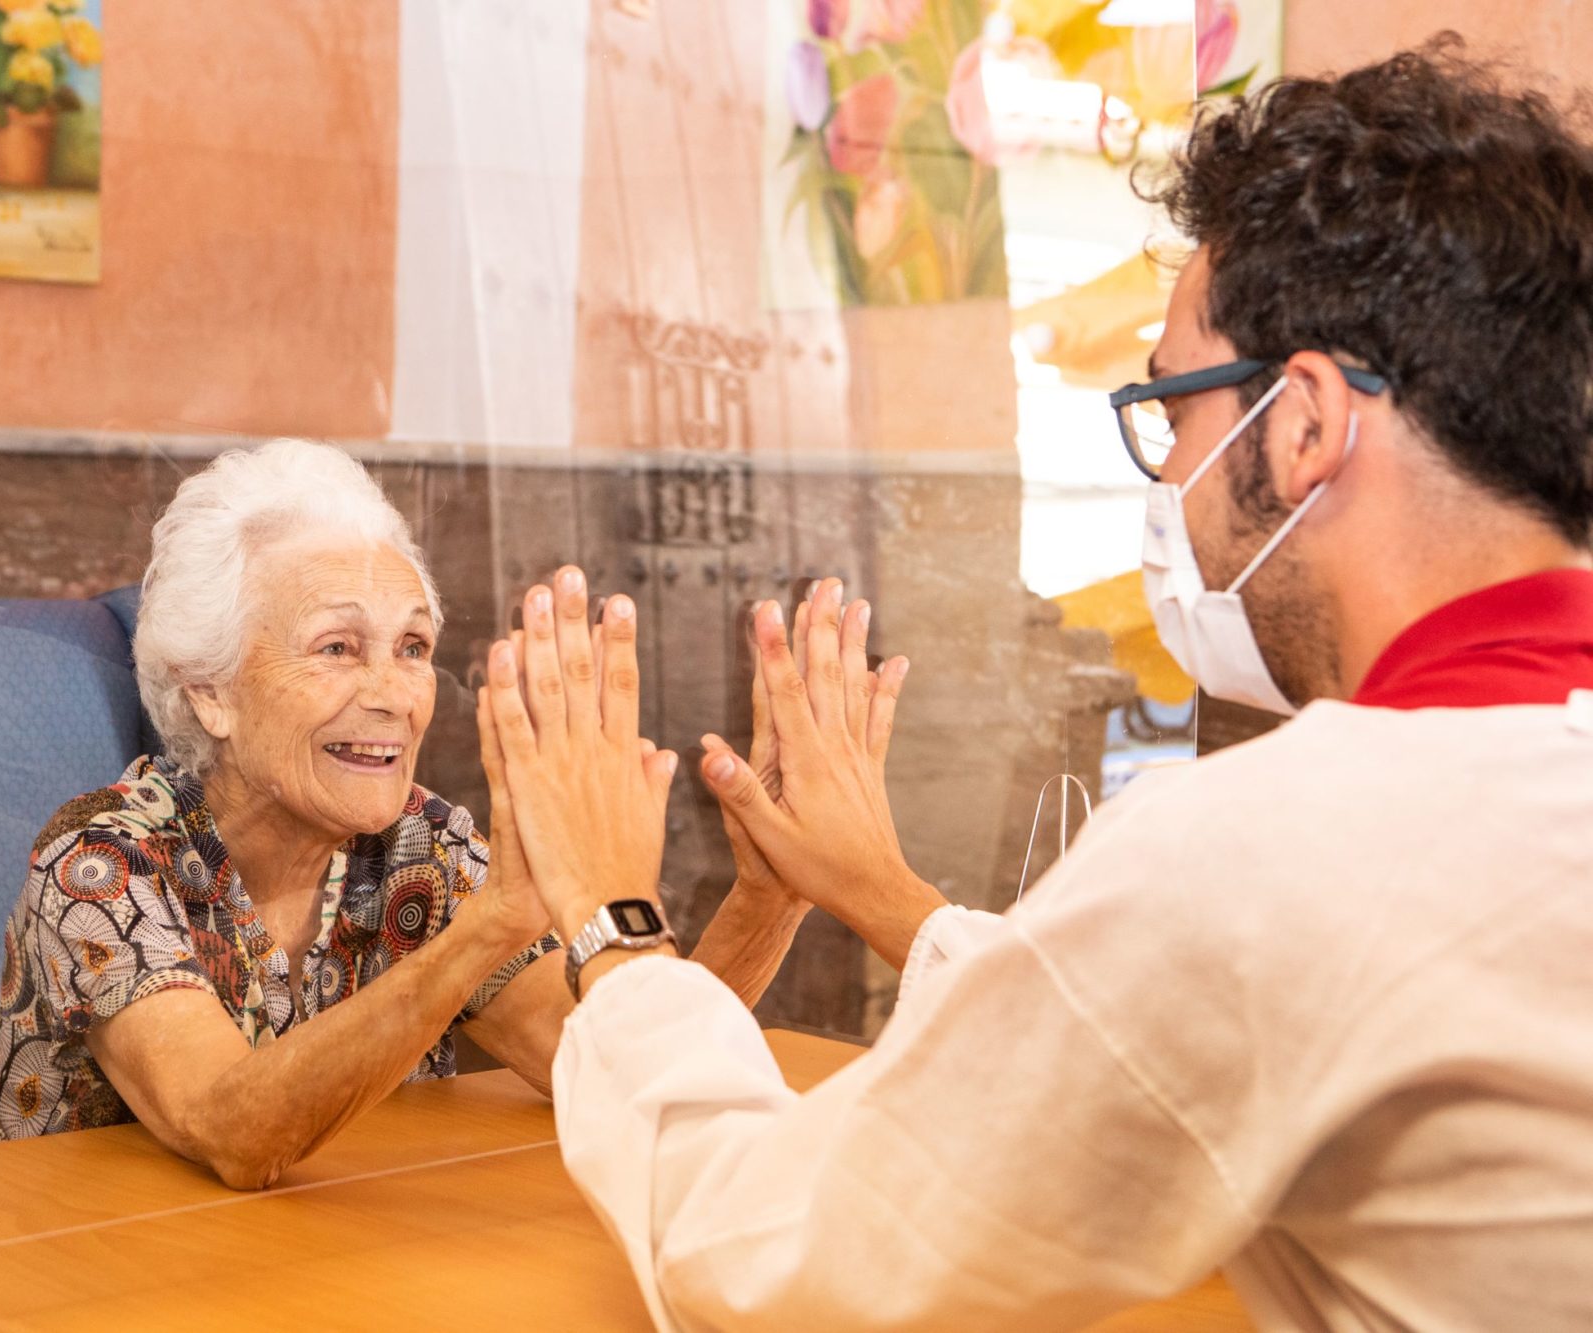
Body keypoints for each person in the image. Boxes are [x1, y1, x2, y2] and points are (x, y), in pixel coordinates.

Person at [478, 41, 1593, 1331]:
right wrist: (887, 895)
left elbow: (769, 1257)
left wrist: (613, 925)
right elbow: (1170, 1029)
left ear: (1299, 427)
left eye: (1173, 408)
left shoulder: (1284, 848)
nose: (1166, 479)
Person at [0, 439, 810, 1188]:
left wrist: (774, 892)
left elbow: (619, 1066)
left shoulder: (423, 849)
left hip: (307, 1267)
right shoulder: (101, 866)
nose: (394, 696)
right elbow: (232, 1127)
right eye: (337, 648)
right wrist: (485, 931)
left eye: (412, 649)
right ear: (210, 694)